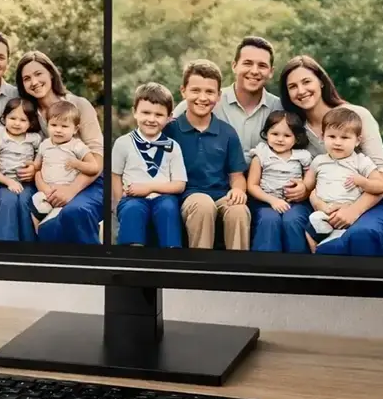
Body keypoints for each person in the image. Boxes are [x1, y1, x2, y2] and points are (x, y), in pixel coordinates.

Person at [278, 54, 383, 256]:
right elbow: (310, 180)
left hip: (370, 201)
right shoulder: (294, 129)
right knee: (292, 222)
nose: (301, 91)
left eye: (307, 81)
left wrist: (354, 210)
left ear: (321, 82)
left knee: (362, 234)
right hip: (324, 204)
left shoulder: (355, 116)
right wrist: (303, 190)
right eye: (292, 86)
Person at [14, 51, 105, 244]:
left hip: (88, 181)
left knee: (74, 211)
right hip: (49, 182)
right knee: (29, 208)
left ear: (51, 74)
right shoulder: (29, 115)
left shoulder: (79, 105)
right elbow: (37, 159)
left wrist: (71, 190)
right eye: (27, 78)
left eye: (39, 74)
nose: (34, 82)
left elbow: (98, 158)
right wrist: (37, 176)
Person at [163, 59, 250, 250]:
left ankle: (238, 272)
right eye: (195, 90)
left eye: (209, 92)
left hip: (221, 195)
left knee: (239, 210)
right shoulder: (170, 130)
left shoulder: (227, 132)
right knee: (203, 204)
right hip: (187, 196)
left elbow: (237, 176)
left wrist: (238, 190)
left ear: (218, 96)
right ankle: (200, 272)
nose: (202, 97)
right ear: (183, 91)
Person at [172, 36, 283, 160]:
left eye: (262, 65)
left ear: (271, 72)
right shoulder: (206, 101)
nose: (254, 71)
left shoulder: (280, 108)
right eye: (247, 63)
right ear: (234, 66)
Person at [112, 82, 187, 247]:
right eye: (145, 112)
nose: (151, 119)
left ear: (169, 118)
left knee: (168, 208)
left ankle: (170, 257)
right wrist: (118, 204)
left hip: (164, 197)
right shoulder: (123, 143)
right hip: (132, 198)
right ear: (135, 112)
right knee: (132, 209)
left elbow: (179, 184)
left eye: (159, 115)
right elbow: (115, 175)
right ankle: (133, 259)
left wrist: (149, 188)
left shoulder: (172, 147)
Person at [305, 107, 383, 252]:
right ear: (322, 136)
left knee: (344, 240)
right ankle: (316, 252)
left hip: (348, 212)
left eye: (344, 138)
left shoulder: (361, 161)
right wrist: (305, 190)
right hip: (323, 212)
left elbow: (381, 186)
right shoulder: (319, 161)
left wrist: (362, 182)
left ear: (357, 141)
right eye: (332, 137)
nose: (337, 142)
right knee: (310, 229)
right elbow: (308, 185)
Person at [245, 111, 314, 252]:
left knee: (293, 219)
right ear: (266, 134)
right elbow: (252, 185)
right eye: (275, 134)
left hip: (296, 203)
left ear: (296, 138)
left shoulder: (303, 156)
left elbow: (310, 181)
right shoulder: (261, 154)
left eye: (287, 135)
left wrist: (304, 187)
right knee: (269, 220)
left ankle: (298, 264)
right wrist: (272, 201)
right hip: (265, 203)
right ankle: (265, 264)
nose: (280, 139)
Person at [0, 97, 43, 242]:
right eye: (13, 118)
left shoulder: (34, 139)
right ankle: (4, 247)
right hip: (1, 183)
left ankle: (28, 246)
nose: (17, 123)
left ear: (30, 123)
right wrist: (8, 182)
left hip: (27, 185)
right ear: (4, 118)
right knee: (8, 201)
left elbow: (40, 163)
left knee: (25, 201)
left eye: (23, 120)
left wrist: (34, 169)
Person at [30, 100, 93, 233]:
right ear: (47, 125)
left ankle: (51, 229)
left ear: (75, 129)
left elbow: (94, 167)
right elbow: (37, 165)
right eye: (53, 125)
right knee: (36, 203)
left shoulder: (76, 145)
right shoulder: (45, 144)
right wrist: (31, 166)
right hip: (45, 191)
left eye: (64, 126)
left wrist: (77, 164)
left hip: (66, 193)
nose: (58, 130)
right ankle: (38, 233)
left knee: (59, 218)